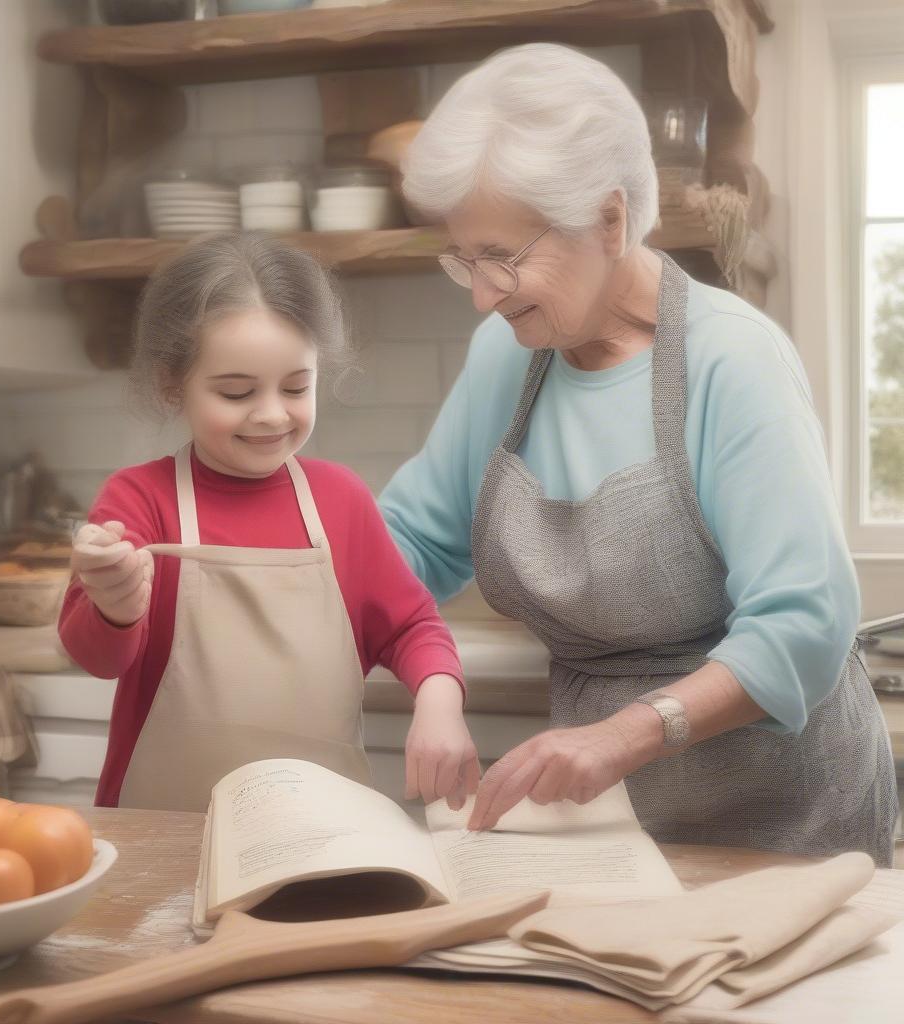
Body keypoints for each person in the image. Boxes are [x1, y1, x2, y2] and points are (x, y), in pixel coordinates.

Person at [379, 43, 899, 864]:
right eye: (464, 260)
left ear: (610, 219)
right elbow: (408, 543)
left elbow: (805, 623)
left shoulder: (733, 359)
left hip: (790, 825)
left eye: (505, 259)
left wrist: (622, 735)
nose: (482, 293)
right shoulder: (502, 353)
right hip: (612, 829)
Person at [59, 232, 479, 813]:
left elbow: (412, 628)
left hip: (321, 835)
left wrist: (439, 705)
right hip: (165, 829)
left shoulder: (341, 501)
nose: (271, 414)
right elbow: (97, 659)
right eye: (236, 392)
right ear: (170, 384)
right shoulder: (140, 500)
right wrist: (113, 604)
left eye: (296, 387)